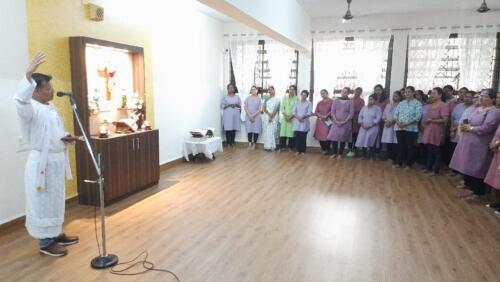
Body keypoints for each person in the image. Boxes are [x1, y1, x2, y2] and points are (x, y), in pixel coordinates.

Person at [14, 52, 80, 257]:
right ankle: (45, 243)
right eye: (48, 88)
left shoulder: (49, 107)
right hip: (41, 164)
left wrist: (65, 137)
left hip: (56, 161)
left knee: (56, 199)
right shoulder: (29, 108)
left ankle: (55, 233)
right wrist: (28, 75)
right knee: (42, 202)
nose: (52, 91)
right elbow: (19, 100)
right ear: (35, 91)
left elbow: (52, 133)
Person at [450, 89, 499, 200]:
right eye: (480, 95)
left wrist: (471, 128)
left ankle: (478, 193)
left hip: (479, 144)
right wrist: (464, 126)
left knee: (477, 168)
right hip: (467, 142)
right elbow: (468, 119)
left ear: (492, 99)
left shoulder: (493, 111)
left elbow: (487, 127)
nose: (481, 98)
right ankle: (471, 189)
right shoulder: (477, 108)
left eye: (485, 96)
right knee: (467, 166)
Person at [421, 87, 449, 175]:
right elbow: (427, 118)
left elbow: (445, 120)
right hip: (428, 129)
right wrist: (425, 122)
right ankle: (428, 167)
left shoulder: (444, 105)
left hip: (437, 131)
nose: (431, 95)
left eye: (434, 93)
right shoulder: (430, 105)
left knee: (437, 151)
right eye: (431, 93)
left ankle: (435, 170)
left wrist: (432, 120)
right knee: (429, 150)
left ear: (440, 95)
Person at [394, 86, 423, 169]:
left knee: (410, 147)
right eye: (406, 92)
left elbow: (417, 117)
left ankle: (409, 164)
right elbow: (395, 114)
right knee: (400, 146)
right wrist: (398, 122)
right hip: (399, 128)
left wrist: (406, 124)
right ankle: (399, 163)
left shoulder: (417, 103)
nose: (407, 93)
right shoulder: (401, 103)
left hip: (411, 129)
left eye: (409, 91)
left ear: (413, 93)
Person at [327, 87, 354, 158]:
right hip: (335, 122)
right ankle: (334, 153)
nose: (343, 93)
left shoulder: (350, 102)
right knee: (334, 138)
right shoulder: (335, 101)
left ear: (348, 93)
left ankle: (340, 154)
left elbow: (351, 114)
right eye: (342, 91)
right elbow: (332, 112)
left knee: (343, 138)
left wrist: (343, 122)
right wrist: (336, 121)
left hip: (346, 123)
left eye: (345, 92)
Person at [355, 94, 382, 159]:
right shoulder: (364, 108)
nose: (370, 101)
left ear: (375, 101)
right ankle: (363, 155)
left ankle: (371, 155)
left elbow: (378, 119)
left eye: (372, 99)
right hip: (363, 127)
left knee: (370, 140)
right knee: (363, 140)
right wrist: (362, 125)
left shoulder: (378, 109)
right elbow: (360, 117)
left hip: (373, 127)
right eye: (369, 99)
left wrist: (370, 125)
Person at [381, 91, 403, 164]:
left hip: (395, 125)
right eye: (393, 96)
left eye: (396, 96)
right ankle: (389, 157)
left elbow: (400, 116)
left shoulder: (401, 105)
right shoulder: (388, 105)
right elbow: (384, 115)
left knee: (395, 142)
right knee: (389, 142)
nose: (394, 97)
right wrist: (386, 121)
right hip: (387, 125)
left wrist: (392, 122)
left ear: (400, 97)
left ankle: (395, 158)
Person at [484, 123, 500, 215]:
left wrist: (496, 144)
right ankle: (498, 202)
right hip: (497, 154)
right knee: (497, 178)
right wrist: (493, 144)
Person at [313, 89, 333, 154]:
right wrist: (321, 116)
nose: (322, 94)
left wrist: (326, 116)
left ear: (327, 93)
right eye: (321, 93)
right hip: (320, 121)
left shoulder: (332, 101)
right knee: (319, 135)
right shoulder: (319, 102)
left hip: (328, 121)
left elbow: (333, 111)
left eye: (324, 93)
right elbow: (316, 112)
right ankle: (323, 149)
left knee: (327, 135)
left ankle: (328, 149)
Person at [293, 90, 312, 155]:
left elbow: (309, 113)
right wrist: (298, 118)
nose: (303, 96)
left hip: (304, 122)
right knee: (297, 137)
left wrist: (302, 117)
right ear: (300, 95)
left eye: (305, 95)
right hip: (297, 122)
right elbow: (293, 112)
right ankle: (298, 150)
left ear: (307, 96)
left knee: (303, 137)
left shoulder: (309, 103)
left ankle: (303, 151)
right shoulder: (297, 102)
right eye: (302, 95)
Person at [279, 85, 298, 152]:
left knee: (291, 133)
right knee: (283, 133)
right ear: (288, 90)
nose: (291, 91)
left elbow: (297, 109)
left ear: (295, 91)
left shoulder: (297, 99)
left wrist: (290, 117)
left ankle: (290, 147)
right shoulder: (285, 97)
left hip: (292, 118)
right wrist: (286, 116)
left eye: (293, 89)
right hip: (285, 117)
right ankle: (282, 147)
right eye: (290, 89)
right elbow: (282, 108)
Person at [262, 85, 280, 151]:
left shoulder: (277, 99)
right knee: (267, 131)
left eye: (271, 89)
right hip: (267, 116)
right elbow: (264, 108)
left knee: (272, 131)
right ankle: (267, 146)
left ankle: (272, 146)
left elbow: (277, 108)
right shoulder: (266, 98)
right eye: (269, 90)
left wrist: (272, 116)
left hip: (274, 116)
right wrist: (269, 114)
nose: (270, 91)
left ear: (274, 90)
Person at [351, 87, 365, 156]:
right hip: (350, 120)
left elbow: (361, 110)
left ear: (361, 93)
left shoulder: (361, 100)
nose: (357, 93)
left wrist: (353, 111)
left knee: (356, 136)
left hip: (357, 120)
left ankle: (356, 150)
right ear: (354, 91)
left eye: (359, 92)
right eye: (356, 91)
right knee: (350, 136)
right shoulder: (350, 99)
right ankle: (350, 150)